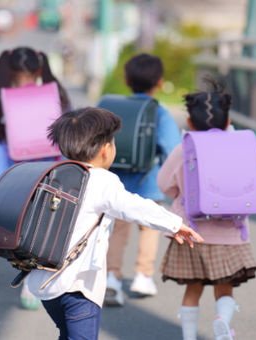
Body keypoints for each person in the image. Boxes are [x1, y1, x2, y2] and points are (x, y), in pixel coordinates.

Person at [25, 107, 204, 340]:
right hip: (79, 288)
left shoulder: (54, 174)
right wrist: (173, 223)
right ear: (105, 150)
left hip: (46, 285)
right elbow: (133, 206)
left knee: (66, 333)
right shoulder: (101, 180)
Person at [157, 82, 256, 340]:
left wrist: (181, 194)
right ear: (228, 122)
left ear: (190, 122)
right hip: (230, 233)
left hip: (192, 232)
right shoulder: (241, 144)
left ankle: (189, 337)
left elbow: (164, 184)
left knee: (193, 289)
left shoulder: (185, 148)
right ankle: (222, 321)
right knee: (224, 289)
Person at [0, 46, 70, 310]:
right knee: (49, 230)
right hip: (53, 174)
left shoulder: (1, 102)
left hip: (17, 177)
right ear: (40, 69)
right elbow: (67, 140)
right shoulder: (56, 98)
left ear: (9, 72)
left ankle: (31, 281)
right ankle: (43, 281)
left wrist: (0, 184)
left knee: (25, 234)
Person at [105, 53, 182, 305]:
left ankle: (112, 278)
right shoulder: (159, 113)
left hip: (116, 184)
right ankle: (142, 276)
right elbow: (173, 151)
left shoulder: (112, 107)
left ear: (127, 81)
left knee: (117, 231)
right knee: (149, 229)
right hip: (149, 184)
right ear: (159, 83)